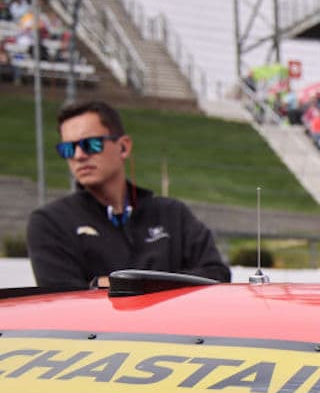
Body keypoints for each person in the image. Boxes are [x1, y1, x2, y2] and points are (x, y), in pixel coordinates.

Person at [27, 100, 230, 291]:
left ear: (124, 147)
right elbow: (64, 300)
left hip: (173, 328)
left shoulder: (172, 214)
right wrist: (165, 284)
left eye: (91, 144)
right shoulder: (50, 223)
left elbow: (217, 275)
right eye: (68, 149)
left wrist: (111, 285)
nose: (79, 155)